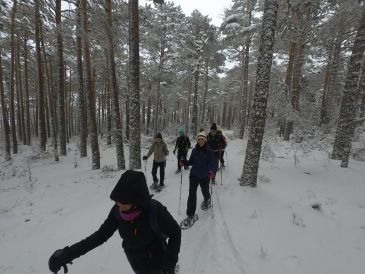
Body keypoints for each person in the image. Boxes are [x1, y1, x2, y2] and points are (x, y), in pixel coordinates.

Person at [48, 170, 181, 274]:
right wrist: (67, 254)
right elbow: (99, 237)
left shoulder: (154, 210)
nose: (119, 205)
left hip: (158, 263)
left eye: (123, 202)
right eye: (117, 201)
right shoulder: (118, 212)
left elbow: (175, 232)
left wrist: (169, 263)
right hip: (136, 262)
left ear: (137, 202)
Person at [181, 131, 216, 227]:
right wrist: (185, 162)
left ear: (205, 140)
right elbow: (191, 161)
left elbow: (213, 163)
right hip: (194, 175)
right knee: (192, 194)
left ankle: (207, 199)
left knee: (205, 190)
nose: (200, 141)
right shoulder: (194, 151)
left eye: (202, 139)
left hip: (204, 176)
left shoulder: (209, 151)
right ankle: (190, 215)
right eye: (199, 139)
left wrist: (211, 171)